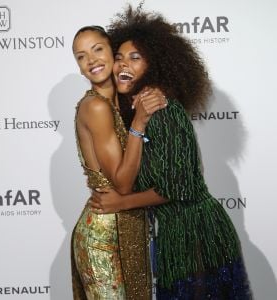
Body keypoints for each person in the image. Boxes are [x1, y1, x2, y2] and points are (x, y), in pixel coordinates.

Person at [91, 6, 252, 299]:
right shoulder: (132, 112)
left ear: (156, 65)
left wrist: (121, 203)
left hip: (198, 238)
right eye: (118, 57)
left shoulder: (163, 110)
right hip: (171, 240)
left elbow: (177, 187)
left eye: (135, 58)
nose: (123, 65)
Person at [71, 25, 167, 299]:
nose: (91, 61)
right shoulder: (97, 107)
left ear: (113, 54)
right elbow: (123, 185)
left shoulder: (118, 103)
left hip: (125, 228)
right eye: (81, 56)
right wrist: (138, 123)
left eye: (97, 49)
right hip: (103, 237)